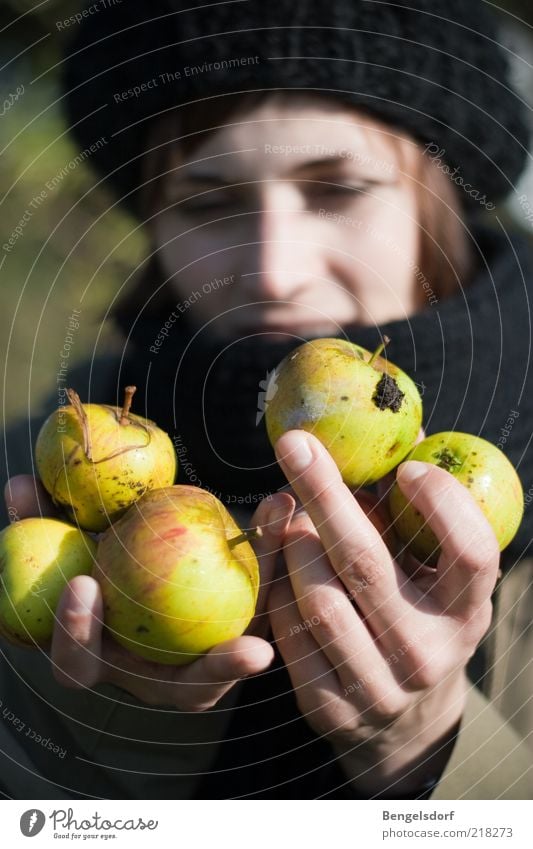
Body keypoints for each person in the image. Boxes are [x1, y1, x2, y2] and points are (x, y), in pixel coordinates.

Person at [1, 0, 532, 799]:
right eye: (210, 203)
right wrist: (124, 721)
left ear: (440, 200)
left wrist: (429, 750)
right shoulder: (36, 494)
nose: (275, 270)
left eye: (337, 190)